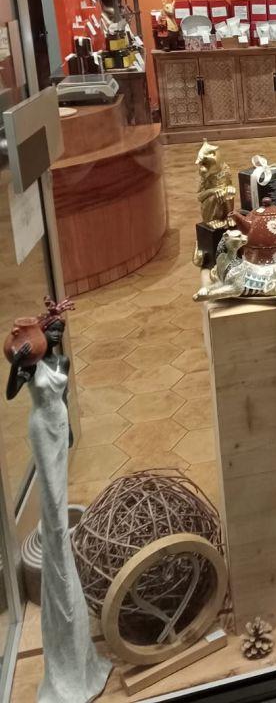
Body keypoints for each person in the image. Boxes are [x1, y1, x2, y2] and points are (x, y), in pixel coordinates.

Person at [6, 301, 111, 703]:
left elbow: (62, 399)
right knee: (53, 517)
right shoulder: (31, 365)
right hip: (40, 429)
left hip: (56, 426)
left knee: (59, 514)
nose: (53, 339)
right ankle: (67, 666)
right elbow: (11, 392)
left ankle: (79, 657)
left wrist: (67, 436)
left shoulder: (61, 361)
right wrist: (17, 363)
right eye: (50, 334)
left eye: (56, 334)